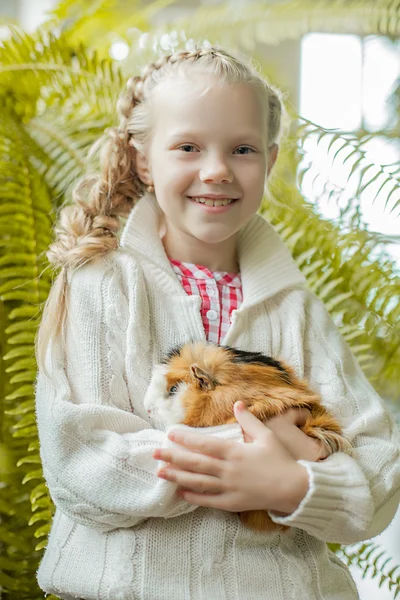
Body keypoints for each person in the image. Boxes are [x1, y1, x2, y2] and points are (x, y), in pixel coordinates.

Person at [34, 44, 400, 600]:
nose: (217, 170)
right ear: (143, 160)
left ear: (271, 161)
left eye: (243, 148)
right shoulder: (101, 286)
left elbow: (379, 464)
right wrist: (255, 459)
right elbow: (80, 454)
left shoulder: (296, 309)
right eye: (187, 146)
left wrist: (293, 483)